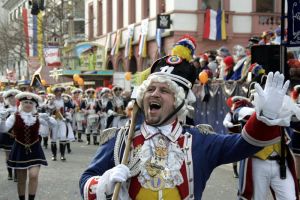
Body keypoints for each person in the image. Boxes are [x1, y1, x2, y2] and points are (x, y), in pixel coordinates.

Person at [79, 50, 299, 199]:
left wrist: (265, 117)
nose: (154, 94)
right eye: (151, 89)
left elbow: (245, 144)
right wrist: (104, 182)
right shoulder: (121, 140)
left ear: (179, 102)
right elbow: (85, 181)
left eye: (164, 90)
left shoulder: (200, 141)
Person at [0, 92, 56, 200]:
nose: (28, 104)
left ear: (34, 105)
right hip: (19, 148)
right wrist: (2, 120)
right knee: (21, 179)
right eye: (25, 102)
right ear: (21, 103)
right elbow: (4, 129)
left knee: (34, 175)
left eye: (31, 102)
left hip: (35, 148)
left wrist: (48, 118)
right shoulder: (14, 116)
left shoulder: (37, 117)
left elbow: (53, 125)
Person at [0, 88, 21, 181]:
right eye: (11, 97)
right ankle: (10, 173)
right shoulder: (4, 108)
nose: (13, 99)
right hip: (7, 135)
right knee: (8, 155)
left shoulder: (20, 108)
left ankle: (17, 174)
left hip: (18, 135)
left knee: (17, 155)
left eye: (15, 97)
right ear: (8, 99)